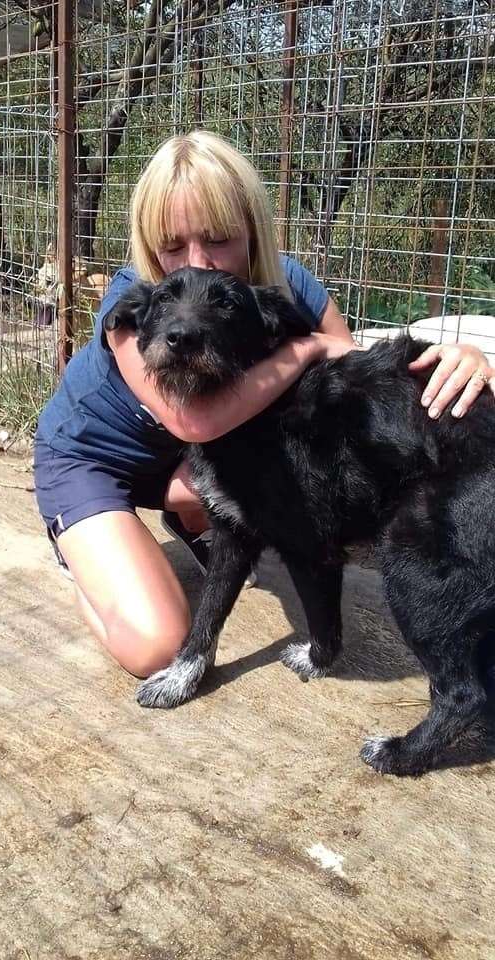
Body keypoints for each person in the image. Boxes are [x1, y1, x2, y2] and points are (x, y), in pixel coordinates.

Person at [34, 130, 495, 679]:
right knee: (155, 646)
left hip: (190, 464)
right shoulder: (135, 301)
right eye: (173, 245)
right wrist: (306, 346)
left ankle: (190, 517)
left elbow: (355, 376)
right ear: (149, 245)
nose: (200, 259)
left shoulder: (284, 282)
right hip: (94, 459)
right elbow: (194, 420)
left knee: (260, 475)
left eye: (220, 238)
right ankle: (82, 549)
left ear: (253, 228)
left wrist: (454, 358)